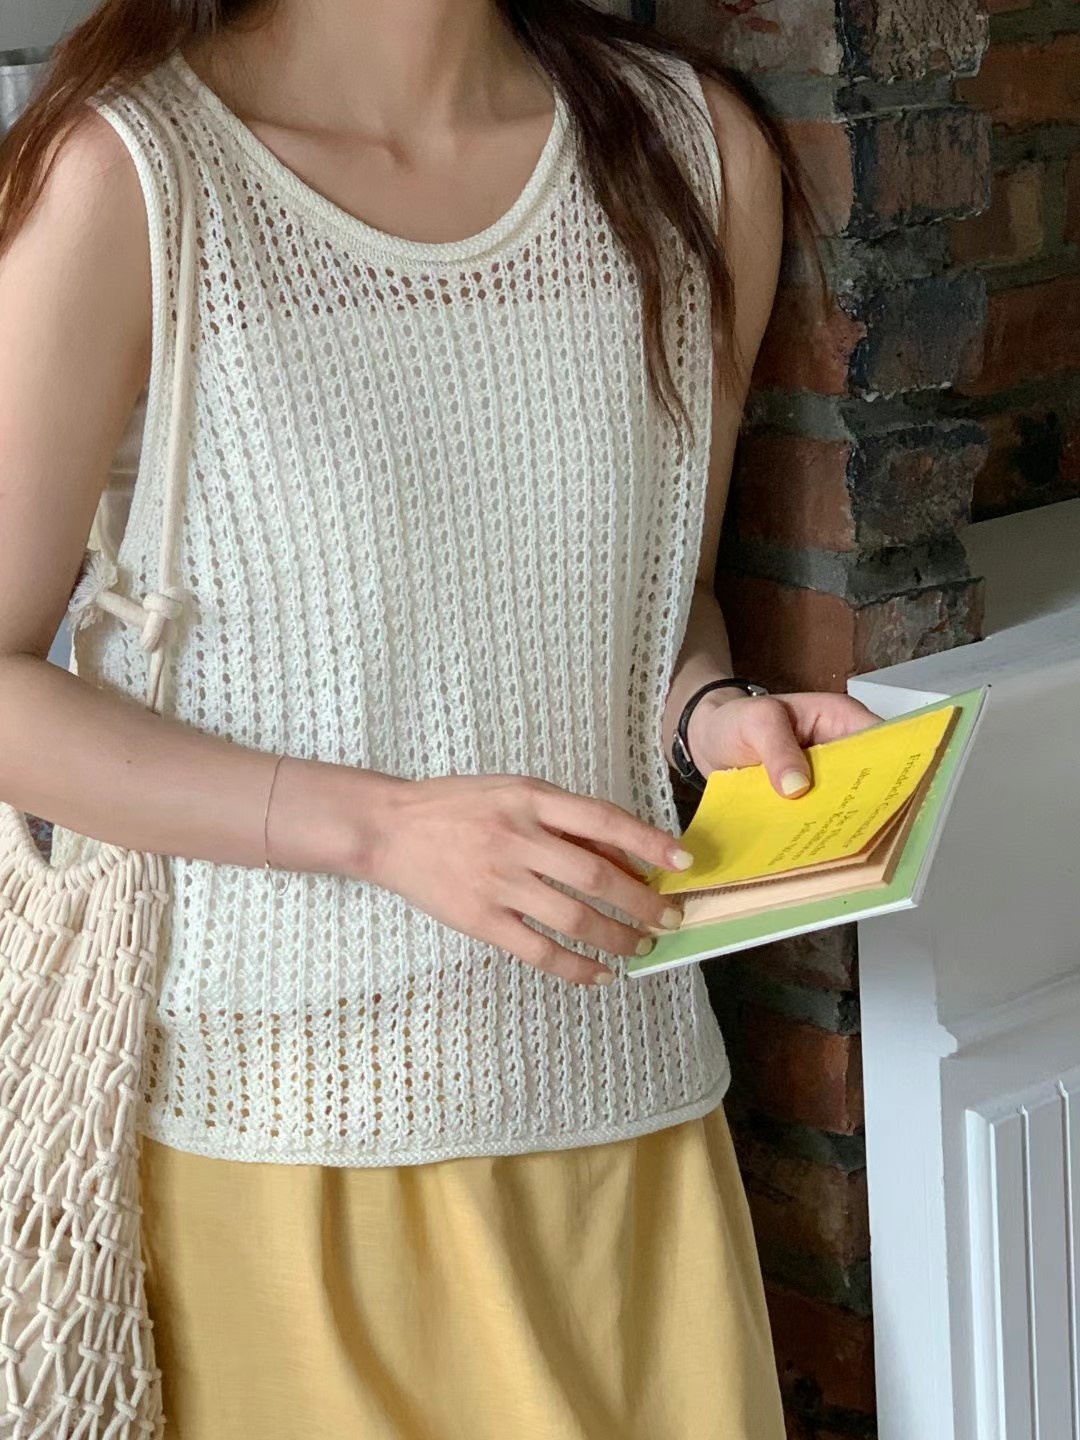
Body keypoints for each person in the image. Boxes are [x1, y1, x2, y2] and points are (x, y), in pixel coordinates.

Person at [0, 1, 877, 1436]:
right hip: (278, 1166)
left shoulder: (696, 156)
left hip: (626, 1133)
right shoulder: (132, 178)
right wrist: (382, 831)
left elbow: (656, 604)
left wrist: (712, 717)